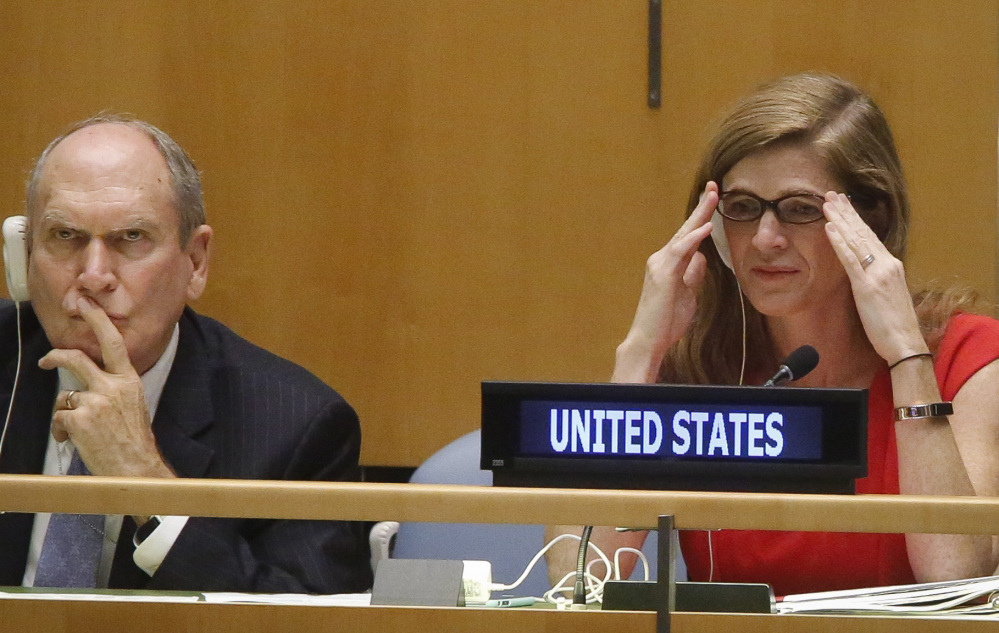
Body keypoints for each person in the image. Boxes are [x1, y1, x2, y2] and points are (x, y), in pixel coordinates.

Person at [548, 72, 999, 596]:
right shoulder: (700, 367)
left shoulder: (965, 358)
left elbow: (954, 575)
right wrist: (640, 355)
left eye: (800, 209)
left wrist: (906, 356)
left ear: (870, 222)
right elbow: (576, 577)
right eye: (742, 208)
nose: (765, 239)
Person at [0, 114, 373, 593]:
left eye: (131, 238)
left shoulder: (296, 427)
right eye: (65, 236)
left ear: (194, 262)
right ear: (24, 255)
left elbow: (304, 618)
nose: (93, 276)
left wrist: (144, 478)